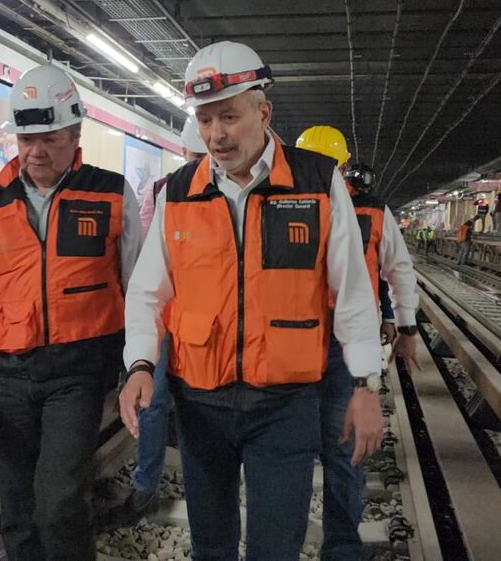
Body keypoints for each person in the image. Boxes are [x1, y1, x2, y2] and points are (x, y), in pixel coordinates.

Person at [120, 41, 383, 561]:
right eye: (205, 120)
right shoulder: (179, 193)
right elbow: (148, 291)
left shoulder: (317, 183)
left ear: (263, 112)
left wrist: (363, 385)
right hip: (201, 403)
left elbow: (352, 292)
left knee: (274, 546)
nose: (216, 134)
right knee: (211, 544)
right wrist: (140, 364)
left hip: (285, 405)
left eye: (229, 117)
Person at [0, 64, 143, 560]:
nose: (35, 150)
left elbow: (140, 285)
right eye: (25, 138)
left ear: (76, 135)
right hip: (9, 374)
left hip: (78, 374)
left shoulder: (111, 194)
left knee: (57, 499)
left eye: (50, 138)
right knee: (16, 504)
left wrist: (143, 366)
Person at [294, 132, 420, 561]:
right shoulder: (369, 209)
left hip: (321, 343)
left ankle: (324, 547)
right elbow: (400, 271)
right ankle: (341, 550)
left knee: (319, 449)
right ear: (344, 164)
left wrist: (403, 325)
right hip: (318, 344)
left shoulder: (287, 203)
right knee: (339, 451)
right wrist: (405, 326)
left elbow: (397, 271)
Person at [109, 117, 206, 524]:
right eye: (196, 156)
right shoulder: (165, 192)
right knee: (164, 402)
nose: (200, 164)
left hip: (182, 321)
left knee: (165, 402)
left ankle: (156, 488)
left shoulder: (161, 190)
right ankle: (153, 487)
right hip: (178, 320)